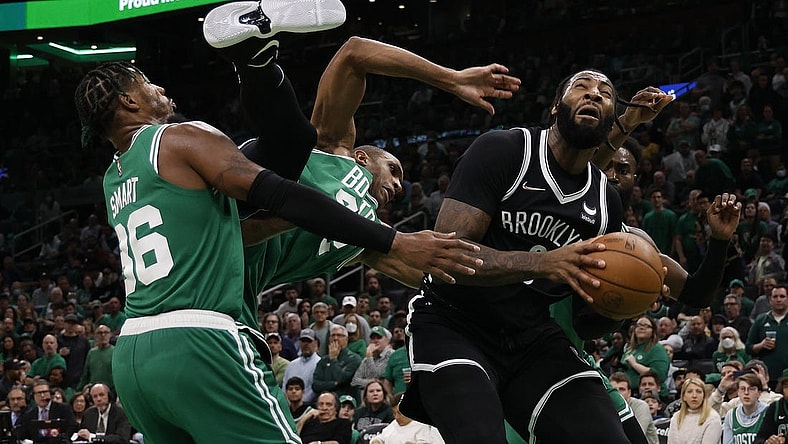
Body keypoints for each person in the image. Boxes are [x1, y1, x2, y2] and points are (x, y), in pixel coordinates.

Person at [74, 4, 482, 442]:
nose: (159, 88)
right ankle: (251, 58)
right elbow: (284, 192)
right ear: (129, 101)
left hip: (133, 352)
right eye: (147, 84)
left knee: (293, 143)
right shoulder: (182, 138)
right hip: (199, 334)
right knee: (296, 143)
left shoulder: (117, 177)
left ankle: (254, 57)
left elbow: (238, 226)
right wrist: (395, 239)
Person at [401, 68, 673, 444]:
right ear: (555, 108)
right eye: (581, 86)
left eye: (605, 93)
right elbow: (447, 256)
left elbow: (583, 318)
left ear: (612, 118)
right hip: (453, 323)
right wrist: (543, 263)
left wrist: (626, 303)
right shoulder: (504, 150)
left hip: (531, 337)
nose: (593, 94)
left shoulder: (605, 202)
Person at [747, 284, 788, 387]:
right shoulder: (761, 320)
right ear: (770, 300)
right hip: (768, 377)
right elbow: (748, 348)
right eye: (775, 296)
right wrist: (761, 345)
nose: (778, 299)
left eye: (782, 296)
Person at [371, 392, 445, 444]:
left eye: (399, 413)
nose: (396, 417)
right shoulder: (393, 424)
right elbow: (381, 437)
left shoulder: (422, 426)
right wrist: (376, 441)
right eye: (394, 413)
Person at [313, 325, 361, 403]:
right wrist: (334, 384)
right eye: (333, 335)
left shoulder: (354, 359)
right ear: (329, 339)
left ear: (346, 339)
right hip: (325, 404)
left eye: (339, 335)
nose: (335, 338)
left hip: (346, 404)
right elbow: (315, 385)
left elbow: (341, 378)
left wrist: (333, 359)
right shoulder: (323, 360)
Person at [667, 378, 722, 444]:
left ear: (704, 396)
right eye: (690, 391)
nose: (694, 396)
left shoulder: (713, 418)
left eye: (698, 392)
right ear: (684, 396)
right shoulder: (676, 417)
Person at [610, 372, 659, 444]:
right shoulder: (605, 407)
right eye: (614, 390)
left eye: (622, 389)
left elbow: (635, 436)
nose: (618, 394)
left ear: (629, 393)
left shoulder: (641, 406)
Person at [722, 373, 768, 444]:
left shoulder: (768, 412)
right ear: (738, 392)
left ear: (759, 393)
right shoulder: (731, 415)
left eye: (751, 389)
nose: (746, 393)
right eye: (742, 389)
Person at [282, 328, 321, 406]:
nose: (306, 344)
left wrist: (301, 404)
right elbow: (284, 388)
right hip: (289, 407)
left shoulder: (319, 363)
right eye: (303, 341)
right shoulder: (292, 364)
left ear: (315, 343)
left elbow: (313, 391)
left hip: (309, 407)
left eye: (309, 341)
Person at [352, 326, 393, 391]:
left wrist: (369, 358)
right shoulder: (367, 357)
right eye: (373, 338)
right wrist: (372, 382)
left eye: (379, 338)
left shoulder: (391, 355)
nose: (375, 341)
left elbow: (377, 375)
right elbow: (354, 381)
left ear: (387, 340)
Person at [77, 324, 114, 390]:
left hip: (111, 390)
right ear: (95, 335)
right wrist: (79, 389)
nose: (103, 335)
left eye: (106, 332)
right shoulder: (92, 353)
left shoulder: (115, 352)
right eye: (100, 333)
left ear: (110, 334)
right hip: (94, 390)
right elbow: (86, 375)